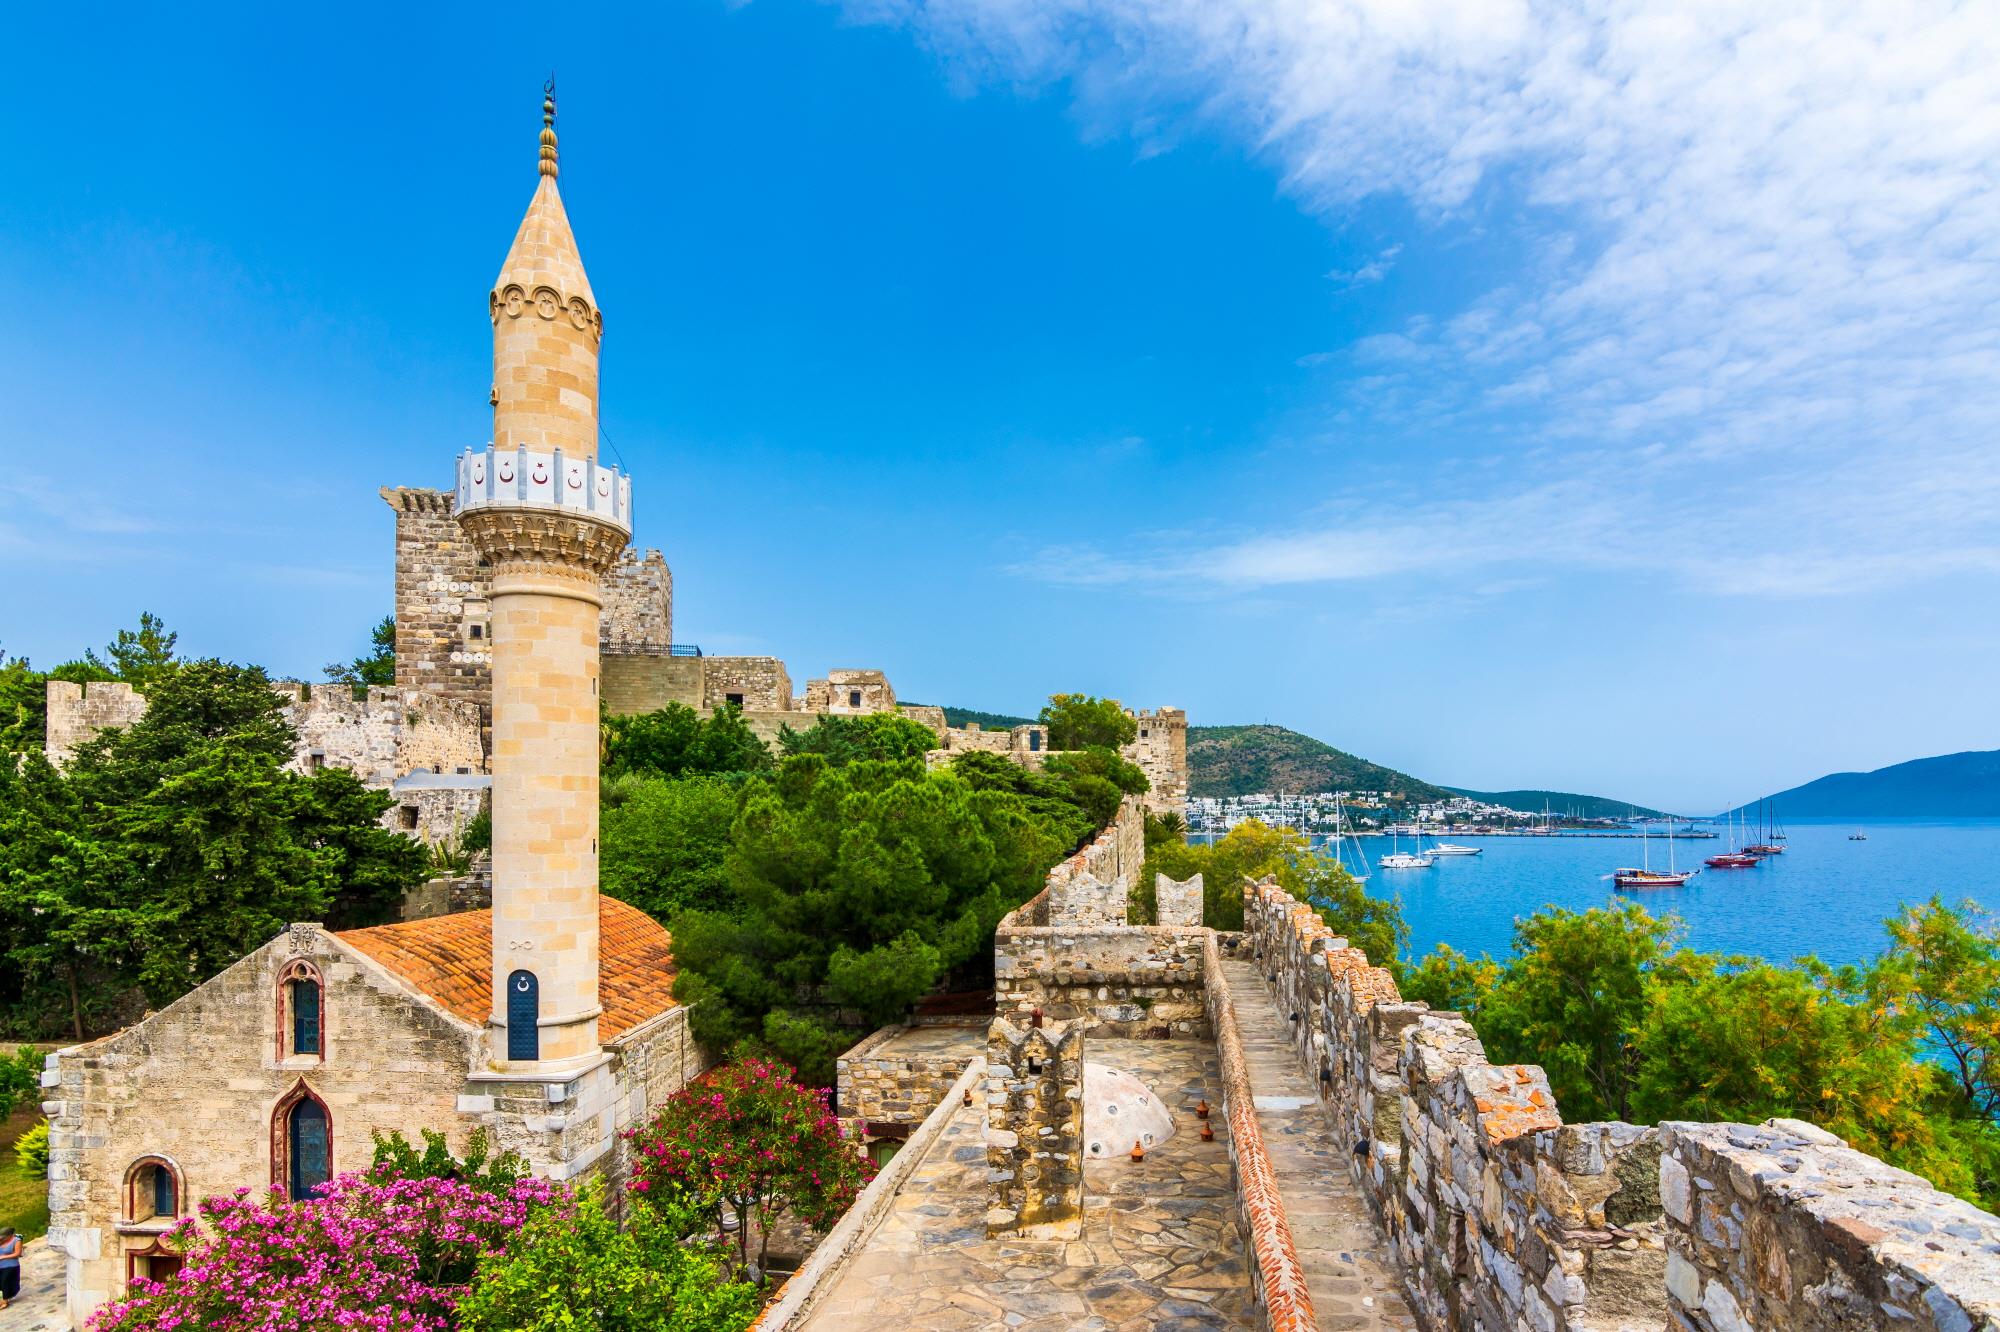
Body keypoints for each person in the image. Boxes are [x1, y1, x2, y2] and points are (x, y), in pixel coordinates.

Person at [0, 1225, 20, 1308]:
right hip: (1, 1266)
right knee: (1, 1283)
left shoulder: (16, 1240)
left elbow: (17, 1253)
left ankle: (5, 1301)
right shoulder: (1, 1240)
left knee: (5, 1281)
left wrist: (3, 1257)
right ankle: (5, 1298)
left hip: (11, 1265)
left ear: (10, 1235)